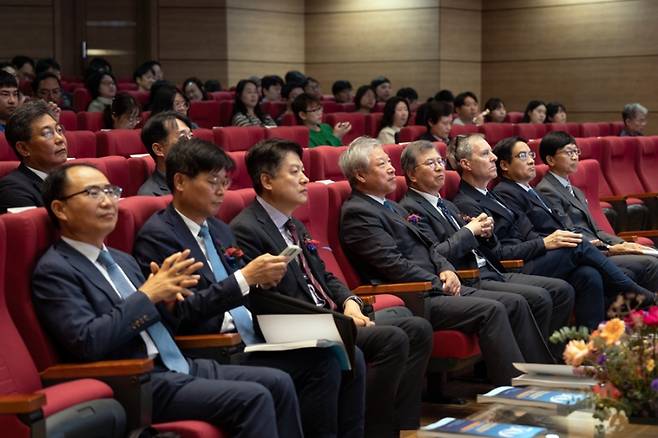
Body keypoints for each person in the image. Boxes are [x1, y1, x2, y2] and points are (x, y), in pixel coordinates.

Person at [34, 162, 304, 437]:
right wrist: (149, 294)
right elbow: (87, 342)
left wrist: (169, 304)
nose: (108, 201)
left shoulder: (122, 260)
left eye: (111, 191)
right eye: (93, 193)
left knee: (279, 382)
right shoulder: (56, 270)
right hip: (137, 382)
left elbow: (163, 321)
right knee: (254, 397)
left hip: (180, 363)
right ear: (60, 209)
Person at [133, 138, 365, 437]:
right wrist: (245, 278)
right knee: (319, 365)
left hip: (255, 334)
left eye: (225, 182)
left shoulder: (217, 228)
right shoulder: (160, 236)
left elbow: (241, 288)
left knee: (345, 353)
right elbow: (184, 312)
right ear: (179, 181)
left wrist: (260, 281)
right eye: (213, 182)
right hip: (214, 348)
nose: (221, 191)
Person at [230, 138, 433, 437]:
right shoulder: (247, 229)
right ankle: (371, 430)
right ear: (267, 180)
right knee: (388, 340)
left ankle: (400, 425)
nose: (305, 179)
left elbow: (324, 276)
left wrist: (350, 301)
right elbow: (265, 300)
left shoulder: (293, 225)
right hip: (293, 325)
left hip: (329, 316)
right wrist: (336, 321)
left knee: (416, 329)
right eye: (295, 172)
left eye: (303, 170)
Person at [339, 136, 553, 385]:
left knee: (516, 301)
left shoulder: (392, 208)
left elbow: (431, 249)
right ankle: (519, 388)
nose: (390, 169)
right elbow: (393, 265)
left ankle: (538, 376)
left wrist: (446, 269)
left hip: (439, 284)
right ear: (361, 175)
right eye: (382, 164)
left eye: (389, 162)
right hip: (417, 296)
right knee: (494, 308)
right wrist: (438, 280)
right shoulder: (359, 212)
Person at [450, 134, 655, 328]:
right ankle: (644, 296)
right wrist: (546, 244)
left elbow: (527, 232)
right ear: (466, 164)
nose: (493, 157)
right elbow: (500, 253)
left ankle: (592, 346)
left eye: (531, 155)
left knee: (588, 274)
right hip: (514, 266)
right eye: (485, 154)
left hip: (532, 255)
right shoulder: (471, 202)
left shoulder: (494, 196)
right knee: (578, 246)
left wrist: (552, 242)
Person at [399, 140, 575, 340]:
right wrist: (469, 231)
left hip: (489, 268)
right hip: (468, 276)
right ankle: (535, 364)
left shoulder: (446, 204)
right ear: (412, 174)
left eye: (440, 161)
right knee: (532, 298)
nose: (440, 167)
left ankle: (550, 357)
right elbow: (436, 253)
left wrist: (487, 234)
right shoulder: (410, 209)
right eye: (431, 164)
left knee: (561, 289)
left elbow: (487, 247)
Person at [537, 131, 658, 292]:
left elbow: (596, 229)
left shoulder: (575, 190)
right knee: (650, 263)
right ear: (550, 159)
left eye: (576, 151)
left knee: (651, 255)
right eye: (568, 152)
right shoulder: (547, 190)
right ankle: (647, 313)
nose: (574, 157)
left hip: (599, 248)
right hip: (587, 253)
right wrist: (610, 248)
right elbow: (567, 231)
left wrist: (621, 243)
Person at [0, 100, 68, 213]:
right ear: (24, 149)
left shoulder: (72, 177)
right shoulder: (14, 191)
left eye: (59, 130)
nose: (60, 139)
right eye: (47, 133)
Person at [138, 111, 193, 196]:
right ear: (159, 149)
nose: (191, 144)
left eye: (191, 136)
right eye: (183, 138)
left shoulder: (202, 179)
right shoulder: (150, 194)